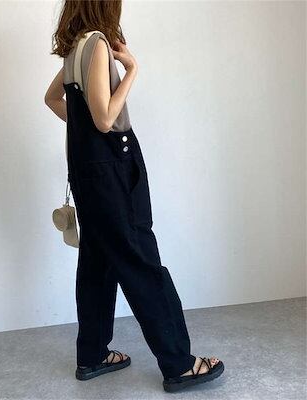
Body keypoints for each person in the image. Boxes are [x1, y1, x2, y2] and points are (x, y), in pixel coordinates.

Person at [44, 0, 224, 393]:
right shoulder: (96, 45)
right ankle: (179, 364)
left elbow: (53, 99)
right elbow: (105, 119)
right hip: (113, 169)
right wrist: (132, 70)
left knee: (97, 263)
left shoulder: (74, 48)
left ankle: (92, 355)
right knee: (141, 261)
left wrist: (83, 129)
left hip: (87, 172)